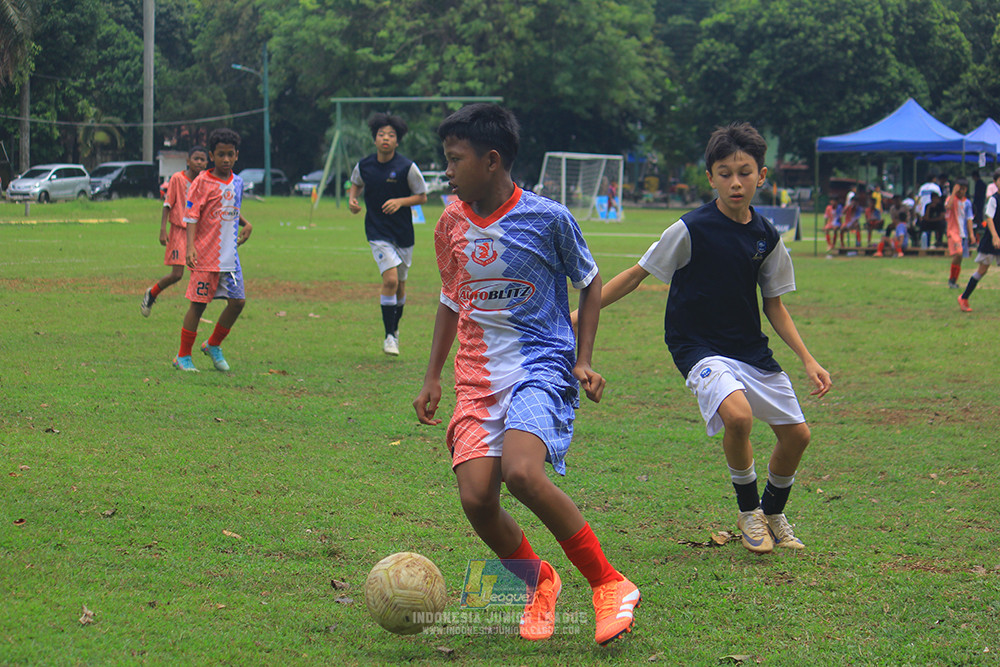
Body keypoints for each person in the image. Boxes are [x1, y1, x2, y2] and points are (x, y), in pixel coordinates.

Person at [413, 103, 640, 646]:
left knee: (521, 472)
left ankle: (610, 583)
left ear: (492, 161)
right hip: (477, 376)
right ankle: (539, 582)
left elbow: (588, 279)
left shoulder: (548, 218)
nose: (448, 171)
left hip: (541, 363)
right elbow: (451, 299)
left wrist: (582, 358)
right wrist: (432, 376)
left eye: (455, 160)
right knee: (475, 498)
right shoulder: (449, 223)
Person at [588, 122, 831, 554]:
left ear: (762, 175)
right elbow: (636, 275)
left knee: (798, 436)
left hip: (749, 348)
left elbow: (774, 304)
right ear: (710, 177)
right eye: (724, 173)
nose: (735, 182)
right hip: (697, 344)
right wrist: (580, 313)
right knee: (738, 417)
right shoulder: (690, 228)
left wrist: (809, 359)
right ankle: (748, 511)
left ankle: (772, 512)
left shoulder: (766, 237)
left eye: (744, 171)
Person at [172, 128, 253, 372]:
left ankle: (213, 344)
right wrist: (190, 248)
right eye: (220, 154)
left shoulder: (237, 182)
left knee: (238, 302)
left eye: (230, 154)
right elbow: (192, 215)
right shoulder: (201, 182)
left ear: (237, 155)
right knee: (198, 306)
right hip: (205, 255)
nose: (226, 159)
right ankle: (182, 356)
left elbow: (230, 209)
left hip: (230, 255)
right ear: (211, 155)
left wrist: (246, 223)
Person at [348, 113, 429, 356]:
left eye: (391, 135)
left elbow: (422, 196)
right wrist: (353, 199)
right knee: (391, 281)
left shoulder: (407, 167)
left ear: (397, 141)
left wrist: (400, 201)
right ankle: (389, 336)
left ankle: (394, 330)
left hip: (403, 233)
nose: (385, 138)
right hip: (377, 231)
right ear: (374, 139)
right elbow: (356, 183)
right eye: (381, 134)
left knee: (401, 286)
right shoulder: (365, 165)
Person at [140, 146, 208, 317]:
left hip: (197, 232)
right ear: (188, 161)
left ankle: (196, 309)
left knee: (201, 271)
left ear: (207, 163)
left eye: (202, 159)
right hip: (179, 230)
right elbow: (167, 204)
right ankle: (152, 293)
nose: (199, 162)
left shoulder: (205, 183)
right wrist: (163, 230)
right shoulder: (177, 179)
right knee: (177, 274)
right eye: (196, 159)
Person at [959, 169, 1000, 311]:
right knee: (982, 270)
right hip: (991, 240)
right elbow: (989, 218)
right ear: (995, 182)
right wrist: (995, 236)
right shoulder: (994, 199)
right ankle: (964, 297)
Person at [945, 179, 974, 289]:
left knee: (960, 258)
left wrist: (971, 234)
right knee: (959, 253)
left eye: (962, 189)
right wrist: (953, 192)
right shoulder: (952, 199)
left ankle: (953, 280)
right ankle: (952, 280)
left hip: (963, 233)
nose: (960, 191)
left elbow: (969, 219)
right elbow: (948, 206)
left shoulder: (967, 203)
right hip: (953, 231)